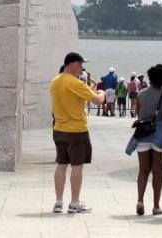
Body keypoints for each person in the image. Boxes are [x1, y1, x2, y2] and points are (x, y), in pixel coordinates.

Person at [50, 52, 106, 214]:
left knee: (61, 165)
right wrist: (101, 93)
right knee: (77, 166)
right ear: (73, 64)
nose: (82, 68)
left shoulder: (55, 81)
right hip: (76, 130)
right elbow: (97, 100)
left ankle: (58, 202)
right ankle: (74, 202)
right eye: (81, 64)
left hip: (59, 129)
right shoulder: (75, 83)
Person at [124, 64, 162, 216]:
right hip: (159, 135)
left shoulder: (141, 94)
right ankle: (156, 206)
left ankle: (140, 200)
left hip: (143, 134)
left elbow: (140, 116)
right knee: (157, 172)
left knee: (143, 171)